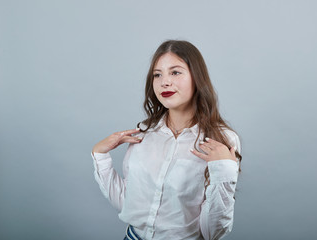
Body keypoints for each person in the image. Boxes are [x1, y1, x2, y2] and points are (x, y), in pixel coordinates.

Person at [91, 40, 243, 240]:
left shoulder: (222, 140)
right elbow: (129, 204)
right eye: (157, 74)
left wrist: (223, 171)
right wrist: (100, 155)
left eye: (175, 72)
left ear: (197, 78)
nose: (164, 82)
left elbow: (212, 232)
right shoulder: (144, 132)